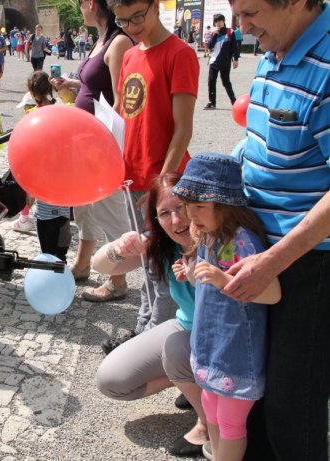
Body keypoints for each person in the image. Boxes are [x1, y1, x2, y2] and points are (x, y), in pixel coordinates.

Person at [225, 0, 329, 459]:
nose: (241, 26)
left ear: (297, 2)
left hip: (309, 266)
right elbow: (257, 146)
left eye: (250, 12)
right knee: (258, 390)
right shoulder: (276, 47)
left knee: (295, 409)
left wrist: (273, 261)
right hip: (262, 251)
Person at [172, 154, 282, 461]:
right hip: (213, 349)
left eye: (199, 207)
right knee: (212, 412)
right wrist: (193, 274)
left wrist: (222, 280)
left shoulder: (242, 241)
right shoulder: (210, 235)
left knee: (231, 423)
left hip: (235, 356)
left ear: (225, 205)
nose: (190, 215)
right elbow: (206, 287)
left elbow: (271, 293)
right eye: (187, 206)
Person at [94, 173, 208, 457]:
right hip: (186, 327)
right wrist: (120, 248)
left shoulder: (218, 238)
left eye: (181, 208)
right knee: (112, 380)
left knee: (178, 349)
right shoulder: (161, 243)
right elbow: (100, 266)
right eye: (164, 213)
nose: (176, 221)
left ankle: (207, 421)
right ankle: (189, 380)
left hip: (220, 337)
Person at [108, 0, 199, 348]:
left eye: (137, 17)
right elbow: (125, 114)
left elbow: (183, 130)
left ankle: (156, 344)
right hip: (132, 177)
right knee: (146, 263)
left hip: (162, 182)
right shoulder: (131, 55)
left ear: (155, 5)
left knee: (166, 270)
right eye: (122, 20)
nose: (130, 26)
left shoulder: (179, 54)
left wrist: (164, 187)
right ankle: (143, 328)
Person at [50, 0, 134, 318]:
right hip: (86, 144)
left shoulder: (120, 41)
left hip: (104, 145)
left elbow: (123, 101)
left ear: (91, 4)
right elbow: (96, 85)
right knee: (84, 206)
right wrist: (76, 85)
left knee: (110, 209)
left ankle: (118, 279)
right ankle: (83, 265)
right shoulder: (101, 37)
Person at [24, 71, 71, 262]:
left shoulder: (33, 116)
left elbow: (29, 154)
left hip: (44, 179)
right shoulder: (62, 109)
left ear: (31, 92)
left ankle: (50, 260)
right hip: (63, 178)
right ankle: (61, 259)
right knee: (62, 221)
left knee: (46, 222)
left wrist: (29, 188)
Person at [204, 14, 239, 110]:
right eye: (216, 21)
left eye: (220, 21)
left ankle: (234, 102)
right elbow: (210, 46)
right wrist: (214, 35)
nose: (218, 23)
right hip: (214, 61)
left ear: (223, 21)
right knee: (211, 81)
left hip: (225, 61)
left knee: (226, 82)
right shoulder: (213, 33)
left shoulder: (230, 32)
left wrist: (236, 59)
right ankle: (212, 102)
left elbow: (235, 47)